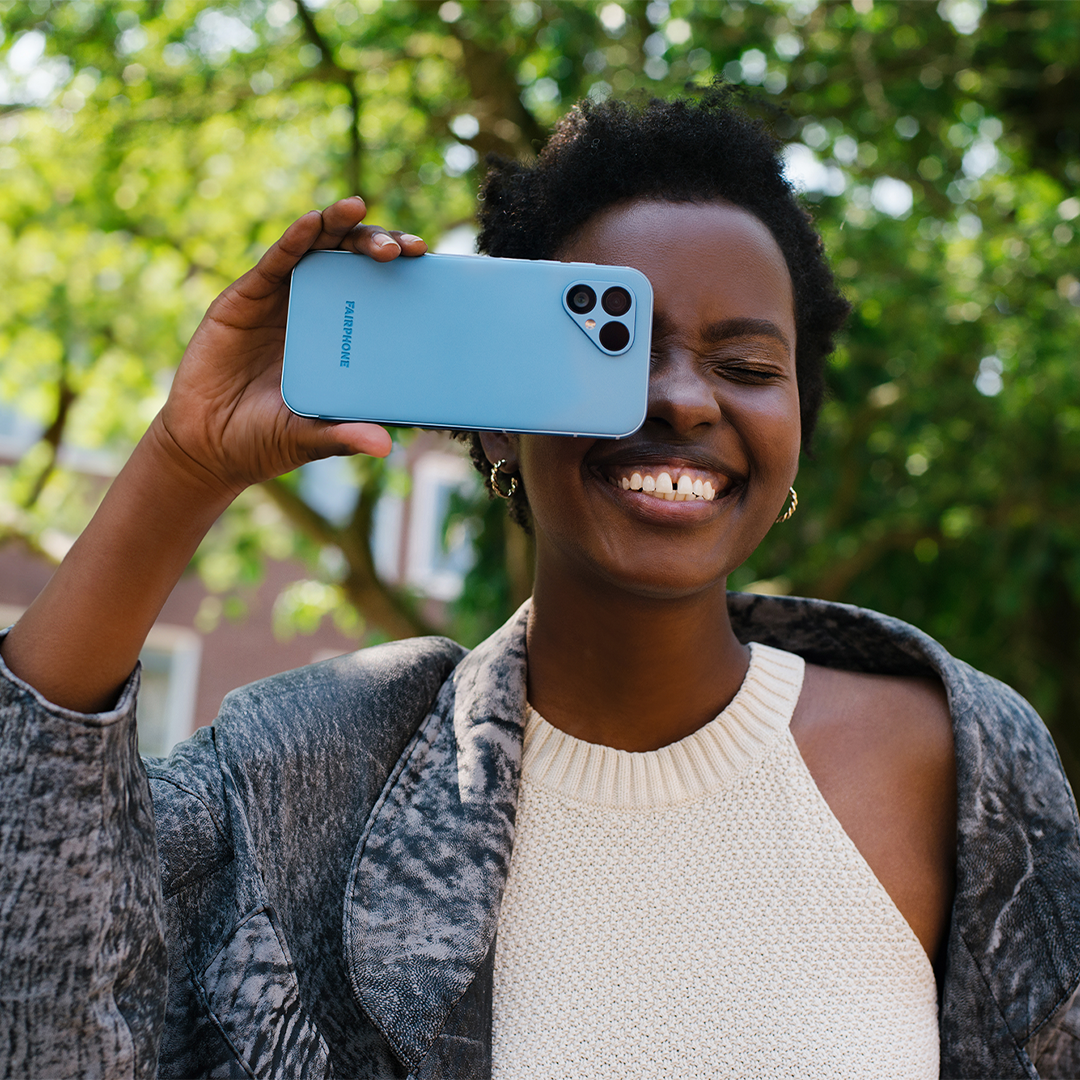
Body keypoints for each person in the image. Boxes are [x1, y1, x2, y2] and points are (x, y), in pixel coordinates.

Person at [1, 91, 1078, 1080]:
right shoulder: (311, 775)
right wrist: (183, 465)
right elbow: (45, 988)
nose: (685, 400)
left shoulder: (961, 759)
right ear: (497, 420)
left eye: (747, 367)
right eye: (613, 349)